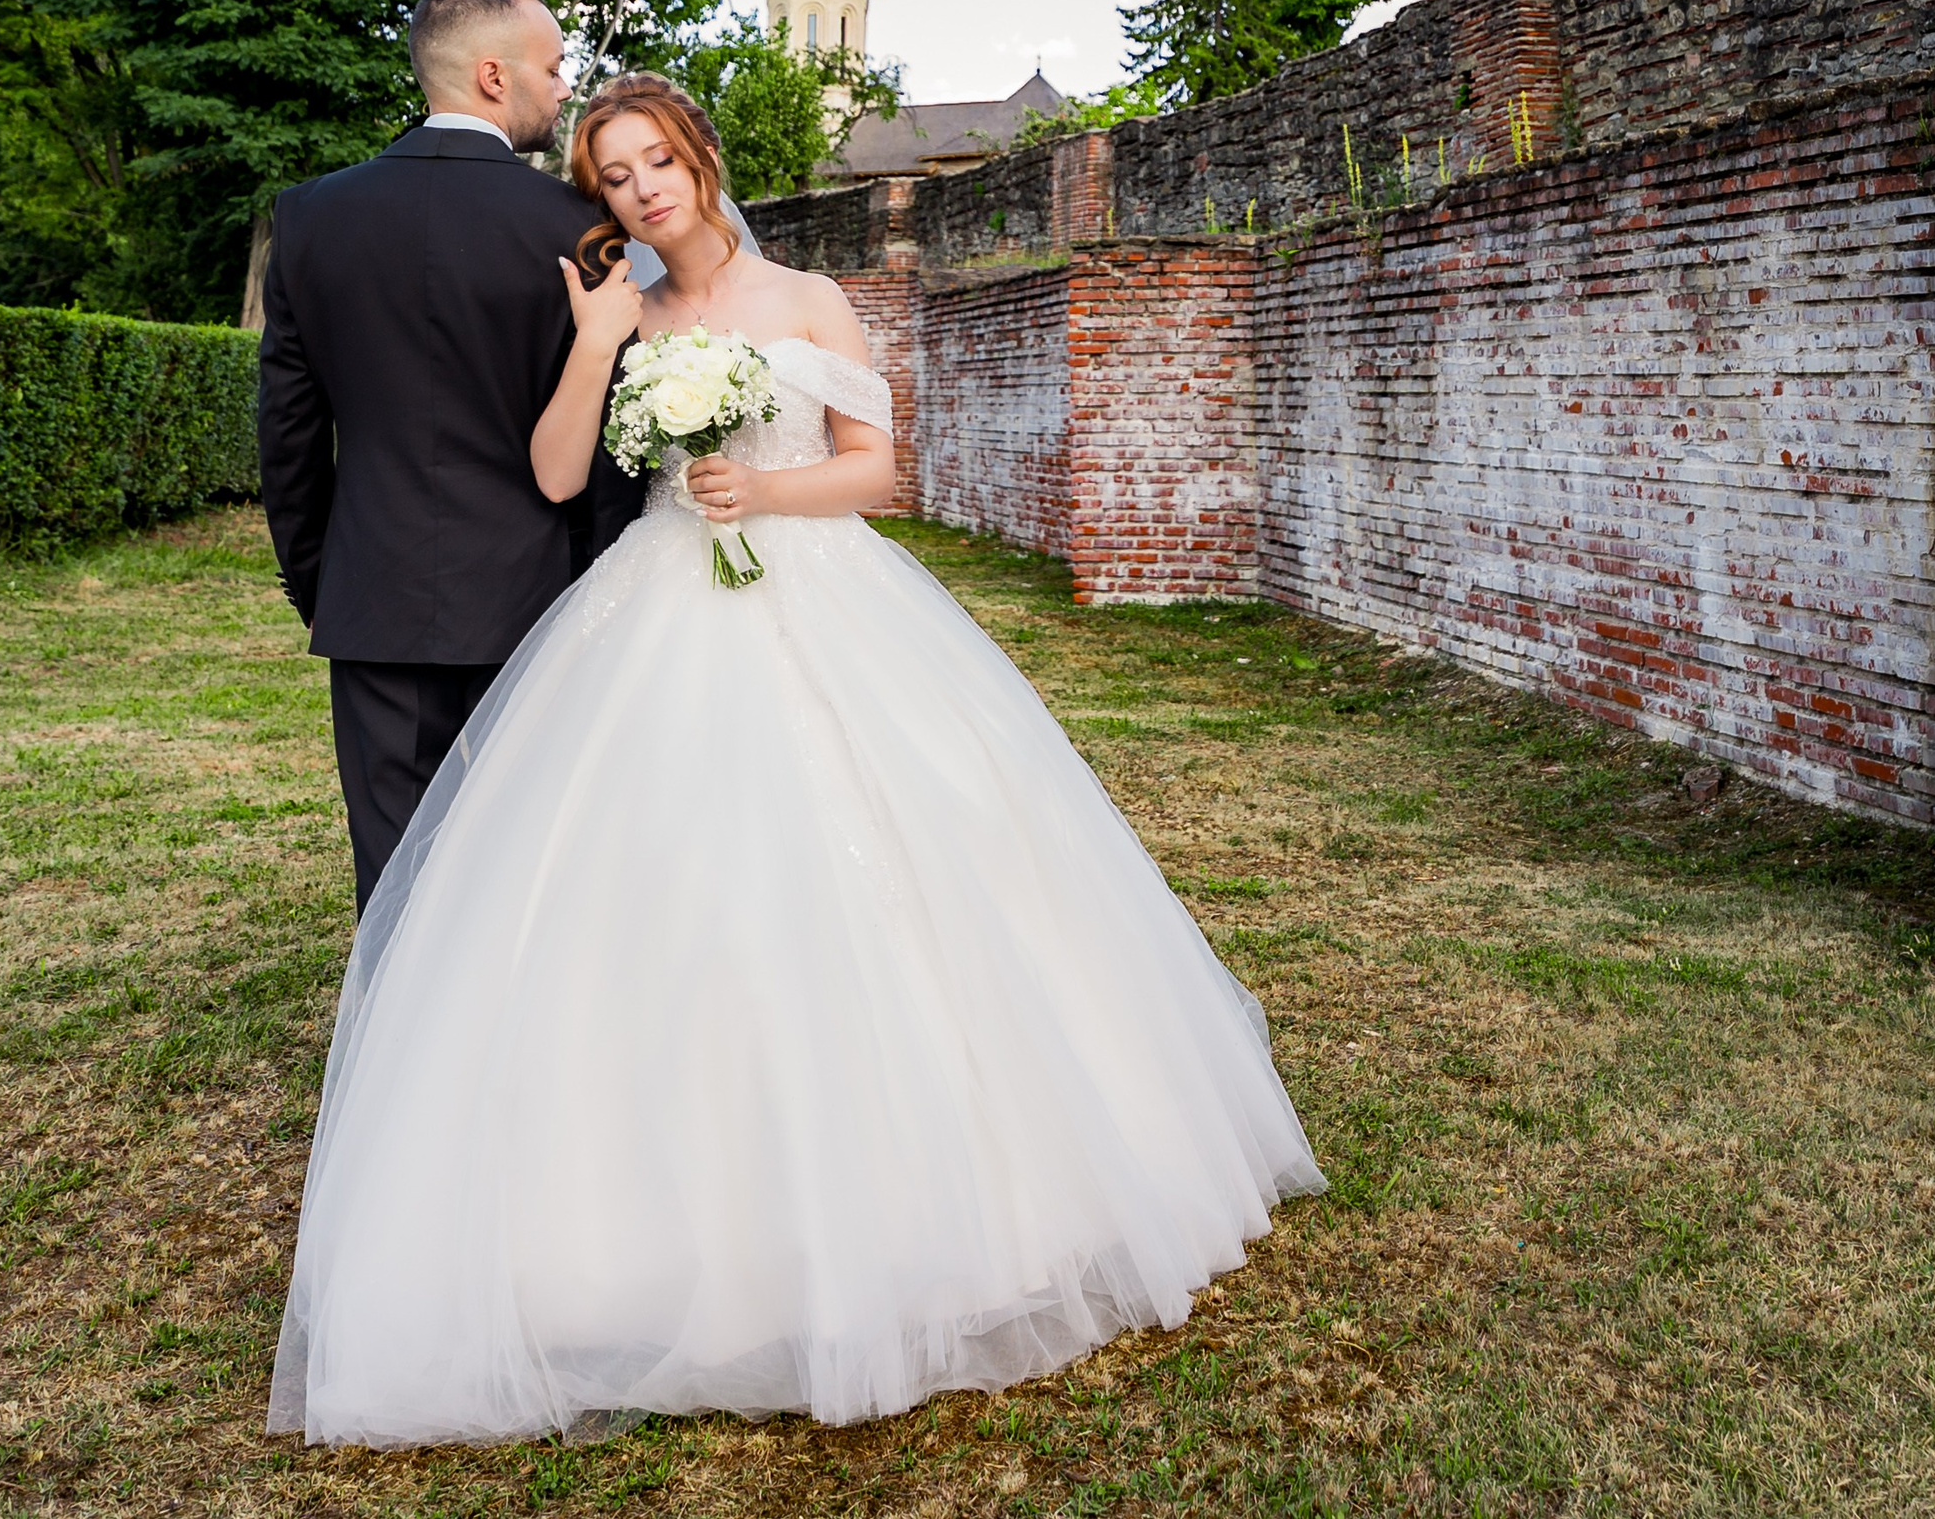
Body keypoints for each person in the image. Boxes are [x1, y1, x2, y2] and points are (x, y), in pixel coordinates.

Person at [267, 75, 1324, 1450]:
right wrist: (593, 344)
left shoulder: (812, 299)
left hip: (821, 592)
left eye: (656, 161)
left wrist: (764, 489)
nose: (642, 190)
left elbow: (876, 471)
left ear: (701, 159)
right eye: (612, 176)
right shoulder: (623, 311)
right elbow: (555, 474)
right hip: (654, 602)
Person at [255, 0, 642, 914]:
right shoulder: (581, 229)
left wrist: (322, 582)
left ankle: (397, 1014)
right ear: (494, 76)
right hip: (537, 597)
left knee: (394, 875)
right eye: (554, 67)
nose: (564, 88)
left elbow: (289, 433)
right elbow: (608, 446)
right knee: (526, 862)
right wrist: (602, 590)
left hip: (374, 593)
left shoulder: (310, 216)